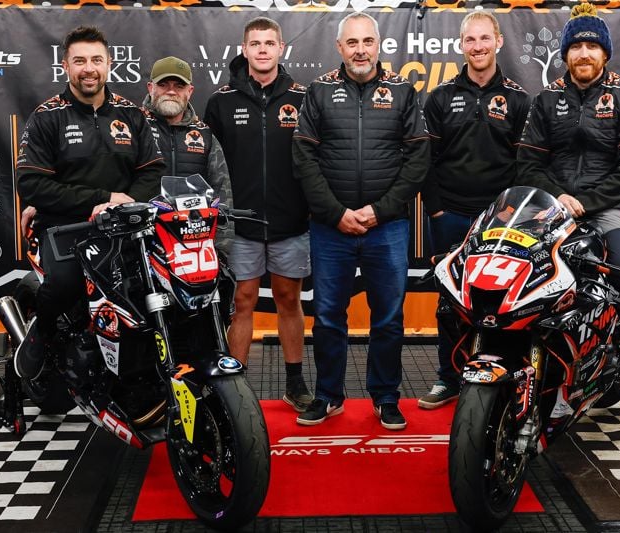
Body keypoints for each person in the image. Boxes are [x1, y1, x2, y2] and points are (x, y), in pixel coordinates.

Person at [292, 12, 430, 430]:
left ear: (379, 45)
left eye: (367, 42)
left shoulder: (402, 91)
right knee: (328, 316)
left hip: (387, 227)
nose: (360, 50)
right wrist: (336, 214)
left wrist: (379, 210)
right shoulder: (318, 91)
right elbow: (303, 158)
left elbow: (418, 159)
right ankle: (328, 395)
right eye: (352, 43)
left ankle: (386, 397)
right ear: (339, 47)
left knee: (388, 318)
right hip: (329, 228)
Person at [13, 26, 165, 380]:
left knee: (157, 285)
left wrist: (122, 204)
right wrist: (101, 199)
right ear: (65, 66)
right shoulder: (47, 116)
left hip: (125, 226)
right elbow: (31, 184)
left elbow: (153, 172)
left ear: (109, 64)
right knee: (65, 284)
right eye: (79, 61)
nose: (89, 69)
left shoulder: (132, 114)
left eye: (96, 60)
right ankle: (40, 334)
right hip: (65, 228)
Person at [516, 3, 620, 348]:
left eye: (592, 46)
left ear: (605, 53)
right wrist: (560, 197)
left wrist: (586, 202)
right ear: (565, 54)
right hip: (551, 205)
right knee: (518, 269)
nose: (583, 54)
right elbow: (528, 164)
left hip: (609, 206)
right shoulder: (546, 98)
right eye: (576, 46)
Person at [418, 12, 531, 410]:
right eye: (470, 39)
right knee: (451, 303)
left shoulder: (519, 99)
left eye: (485, 38)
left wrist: (511, 213)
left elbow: (526, 164)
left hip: (501, 221)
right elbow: (425, 159)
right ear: (461, 45)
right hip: (449, 216)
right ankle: (448, 379)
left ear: (498, 41)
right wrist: (436, 211)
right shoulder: (440, 97)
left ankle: (502, 379)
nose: (478, 46)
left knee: (503, 301)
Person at [204, 17, 313, 412]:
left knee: (289, 299)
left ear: (282, 48)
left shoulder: (303, 97)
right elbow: (207, 164)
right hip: (240, 225)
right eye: (256, 43)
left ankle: (296, 383)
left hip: (291, 221)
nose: (263, 49)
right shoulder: (221, 101)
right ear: (244, 49)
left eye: (270, 43)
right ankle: (238, 390)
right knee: (243, 302)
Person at [142, 55, 234, 254]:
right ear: (150, 88)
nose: (171, 91)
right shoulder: (135, 126)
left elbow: (222, 191)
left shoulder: (204, 134)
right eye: (163, 85)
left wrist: (222, 248)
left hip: (195, 243)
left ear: (190, 91)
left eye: (179, 86)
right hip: (144, 243)